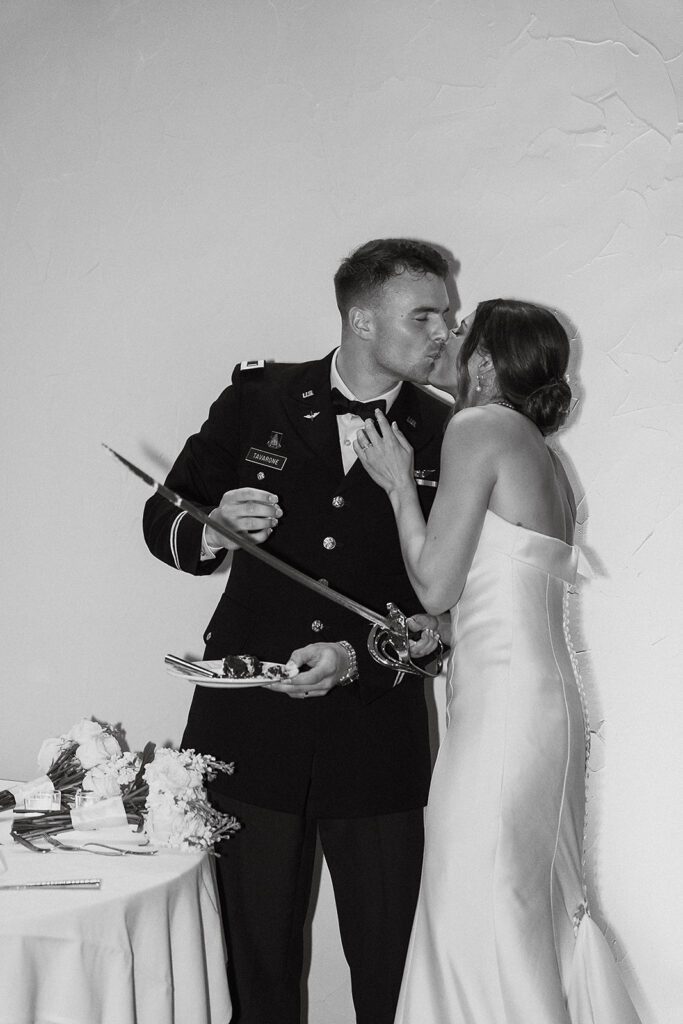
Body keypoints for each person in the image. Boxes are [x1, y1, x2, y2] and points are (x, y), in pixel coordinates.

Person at [142, 238, 451, 1024]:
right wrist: (212, 527)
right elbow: (163, 515)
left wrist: (361, 656)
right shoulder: (259, 398)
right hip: (250, 725)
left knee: (392, 967)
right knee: (254, 965)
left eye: (446, 315)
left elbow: (452, 607)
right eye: (424, 314)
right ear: (359, 318)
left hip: (375, 737)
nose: (443, 330)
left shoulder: (449, 429)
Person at [354, 299, 643, 1024]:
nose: (444, 340)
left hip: (504, 715)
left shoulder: (479, 426)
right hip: (533, 702)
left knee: (475, 900)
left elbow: (435, 579)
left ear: (482, 364)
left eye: (457, 333)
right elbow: (497, 590)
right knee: (520, 901)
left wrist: (396, 484)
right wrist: (441, 632)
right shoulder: (543, 454)